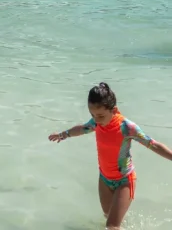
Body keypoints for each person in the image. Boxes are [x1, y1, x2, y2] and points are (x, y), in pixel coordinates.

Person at [48, 82, 172, 230]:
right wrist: (63, 134)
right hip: (104, 180)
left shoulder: (127, 127)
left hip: (125, 181)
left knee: (111, 226)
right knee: (108, 218)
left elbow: (153, 144)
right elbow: (82, 128)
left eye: (100, 115)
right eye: (93, 115)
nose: (96, 119)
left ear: (113, 110)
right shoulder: (96, 123)